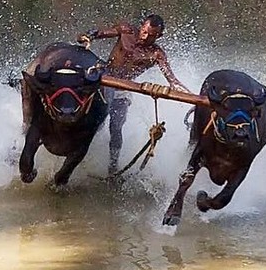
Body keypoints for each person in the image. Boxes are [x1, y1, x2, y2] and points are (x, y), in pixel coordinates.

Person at [80, 15, 187, 175]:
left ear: (159, 36)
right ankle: (81, 154)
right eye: (144, 31)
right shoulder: (126, 31)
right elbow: (98, 33)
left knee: (116, 128)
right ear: (142, 26)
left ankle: (112, 167)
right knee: (96, 122)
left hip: (124, 90)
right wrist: (88, 36)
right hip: (104, 82)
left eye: (151, 35)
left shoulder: (156, 54)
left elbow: (171, 78)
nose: (145, 36)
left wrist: (176, 85)